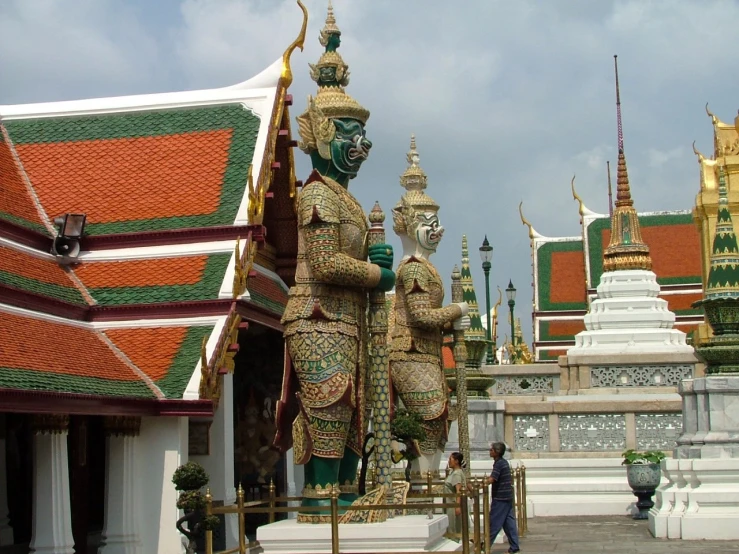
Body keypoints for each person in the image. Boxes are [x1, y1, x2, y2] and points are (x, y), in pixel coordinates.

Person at [487, 442, 520, 553]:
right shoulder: (503, 462)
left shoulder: (499, 464)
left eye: (491, 450)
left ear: (496, 452)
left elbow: (492, 478)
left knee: (494, 523)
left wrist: (481, 484)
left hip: (500, 497)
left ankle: (485, 546)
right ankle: (514, 546)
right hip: (507, 496)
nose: (490, 451)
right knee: (509, 523)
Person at [444, 452, 467, 542]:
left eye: (450, 459)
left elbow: (458, 490)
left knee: (453, 527)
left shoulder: (456, 474)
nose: (449, 461)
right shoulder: (454, 473)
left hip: (453, 504)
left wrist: (457, 506)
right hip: (449, 504)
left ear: (456, 461)